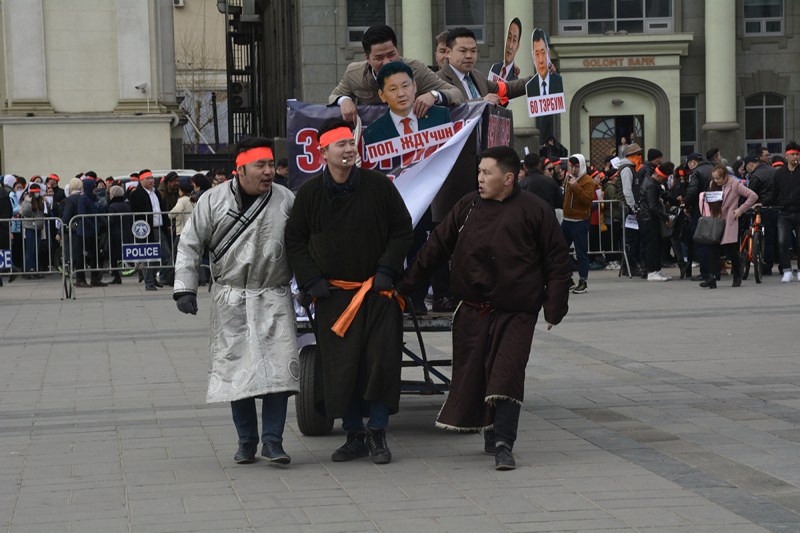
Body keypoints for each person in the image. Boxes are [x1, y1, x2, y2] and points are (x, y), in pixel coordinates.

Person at [396, 145, 570, 470]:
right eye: (479, 172)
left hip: (517, 310)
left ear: (508, 177)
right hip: (473, 310)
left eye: (486, 173)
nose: (480, 178)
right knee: (476, 374)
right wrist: (403, 287)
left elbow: (557, 261)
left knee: (507, 371)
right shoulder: (466, 206)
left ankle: (504, 442)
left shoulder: (535, 210)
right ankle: (490, 430)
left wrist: (554, 306)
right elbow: (434, 248)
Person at [286, 118, 413, 465]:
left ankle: (378, 433)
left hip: (377, 293)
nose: (348, 149)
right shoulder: (310, 194)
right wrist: (312, 281)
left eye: (350, 143)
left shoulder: (379, 186)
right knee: (342, 367)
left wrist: (388, 269)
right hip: (333, 296)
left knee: (379, 362)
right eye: (339, 144)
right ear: (323, 152)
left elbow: (402, 229)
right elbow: (295, 241)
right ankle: (354, 434)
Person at [173, 137, 299, 465]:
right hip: (230, 297)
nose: (269, 171)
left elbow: (302, 244)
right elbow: (189, 244)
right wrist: (185, 287)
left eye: (271, 164)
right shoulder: (211, 201)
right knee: (236, 371)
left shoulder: (286, 199)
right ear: (240, 169)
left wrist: (311, 285)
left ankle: (273, 441)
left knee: (278, 372)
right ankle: (246, 441)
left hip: (274, 294)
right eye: (261, 165)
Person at [329, 24, 463, 124]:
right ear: (367, 58)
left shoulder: (416, 69)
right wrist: (344, 100)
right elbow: (334, 96)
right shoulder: (354, 73)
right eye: (379, 58)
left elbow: (456, 93)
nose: (387, 62)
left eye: (391, 54)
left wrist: (434, 95)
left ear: (397, 49)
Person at [362, 61, 451, 146]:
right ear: (382, 95)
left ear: (414, 86)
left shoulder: (441, 117)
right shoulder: (372, 133)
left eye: (405, 86)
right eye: (393, 89)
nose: (401, 94)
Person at [698, 164, 758, 289]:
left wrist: (740, 210)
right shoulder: (712, 184)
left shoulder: (735, 184)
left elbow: (753, 196)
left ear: (725, 176)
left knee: (731, 250)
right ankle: (712, 278)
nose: (716, 181)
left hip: (729, 220)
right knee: (712, 249)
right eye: (714, 178)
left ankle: (737, 276)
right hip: (715, 220)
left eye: (718, 178)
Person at [437, 28, 528, 105]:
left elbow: (507, 89)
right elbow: (455, 107)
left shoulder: (477, 76)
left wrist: (537, 79)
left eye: (473, 51)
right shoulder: (438, 80)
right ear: (448, 52)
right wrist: (482, 102)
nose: (469, 55)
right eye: (463, 51)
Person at [129, 170, 171, 291]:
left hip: (159, 227)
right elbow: (136, 214)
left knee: (166, 254)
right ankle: (149, 282)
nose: (152, 180)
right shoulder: (136, 194)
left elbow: (162, 209)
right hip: (147, 229)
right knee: (149, 256)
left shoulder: (156, 193)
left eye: (152, 178)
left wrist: (167, 223)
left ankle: (153, 276)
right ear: (141, 181)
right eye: (148, 178)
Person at [562, 154, 595, 294]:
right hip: (567, 220)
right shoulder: (568, 177)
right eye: (572, 166)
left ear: (581, 166)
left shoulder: (588, 181)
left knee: (581, 253)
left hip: (580, 221)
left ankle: (583, 281)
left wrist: (575, 186)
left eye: (577, 166)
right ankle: (568, 278)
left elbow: (587, 201)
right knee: (561, 250)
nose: (574, 169)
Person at [768, 142, 800, 282]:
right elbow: (774, 193)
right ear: (786, 156)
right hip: (784, 212)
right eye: (792, 154)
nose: (795, 157)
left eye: (797, 154)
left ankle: (799, 270)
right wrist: (762, 203)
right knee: (782, 242)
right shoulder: (779, 173)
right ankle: (786, 270)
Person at [639, 162, 675, 281]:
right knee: (652, 246)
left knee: (657, 245)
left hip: (650, 218)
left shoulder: (651, 182)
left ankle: (657, 270)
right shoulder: (651, 185)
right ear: (659, 176)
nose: (663, 181)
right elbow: (652, 206)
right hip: (648, 219)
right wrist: (666, 218)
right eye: (664, 179)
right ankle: (652, 271)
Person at [745, 153, 778, 275]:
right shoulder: (774, 171)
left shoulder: (756, 176)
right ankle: (777, 265)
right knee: (774, 238)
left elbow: (750, 194)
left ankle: (765, 266)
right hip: (777, 208)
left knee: (763, 237)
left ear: (750, 164)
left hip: (761, 209)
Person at [525, 28, 563, 97]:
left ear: (548, 54)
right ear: (533, 57)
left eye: (543, 53)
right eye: (537, 54)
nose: (541, 60)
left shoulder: (558, 81)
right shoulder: (530, 86)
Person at [106, 185, 132, 285]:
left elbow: (110, 221)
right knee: (128, 254)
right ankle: (141, 272)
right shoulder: (126, 205)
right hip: (126, 232)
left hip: (115, 233)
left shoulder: (112, 206)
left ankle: (116, 276)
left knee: (114, 256)